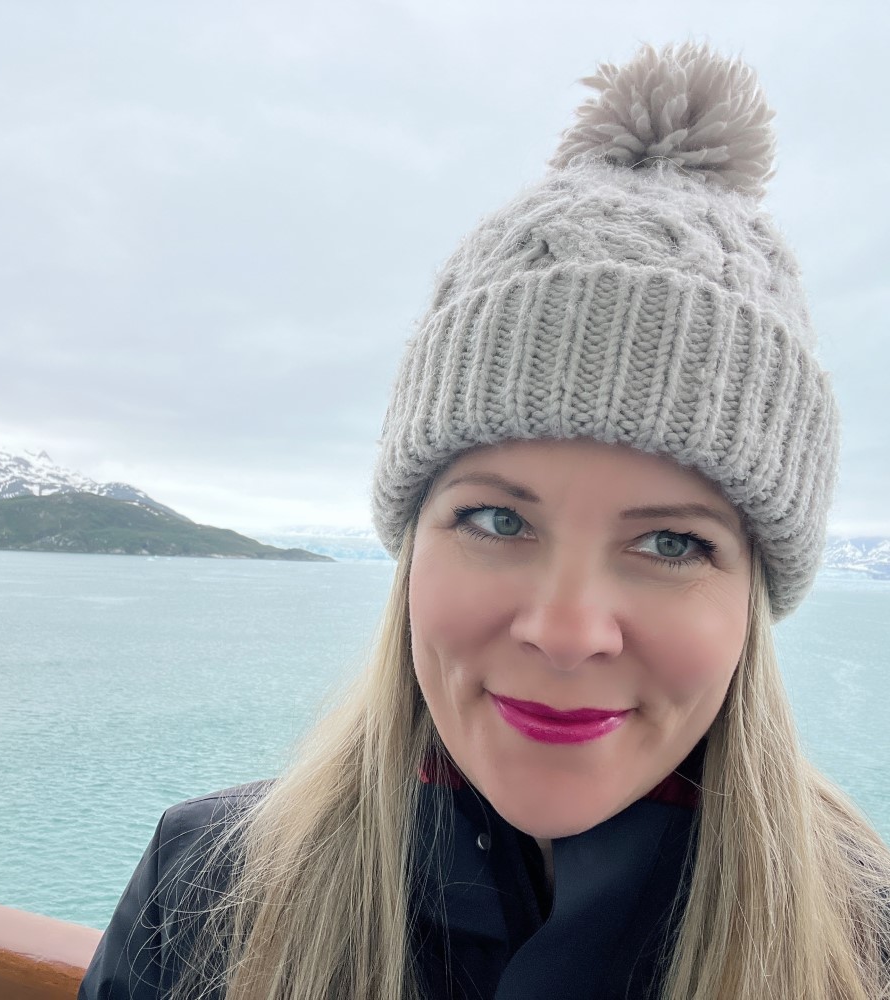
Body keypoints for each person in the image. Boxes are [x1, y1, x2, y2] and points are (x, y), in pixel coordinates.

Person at [79, 43, 890, 1000]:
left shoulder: (865, 944)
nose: (564, 630)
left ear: (753, 591)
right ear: (412, 545)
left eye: (673, 542)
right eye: (499, 519)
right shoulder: (206, 888)